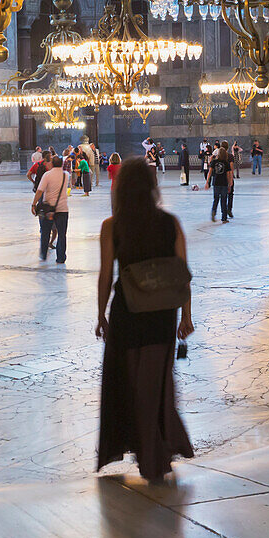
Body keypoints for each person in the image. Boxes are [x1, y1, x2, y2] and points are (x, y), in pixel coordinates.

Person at [96, 158, 194, 482]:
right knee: (157, 385)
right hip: (161, 316)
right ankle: (157, 453)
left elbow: (105, 275)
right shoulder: (170, 223)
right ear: (152, 187)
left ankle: (145, 452)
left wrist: (100, 314)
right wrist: (186, 316)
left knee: (129, 384)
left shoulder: (112, 226)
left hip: (127, 313)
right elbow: (182, 274)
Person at [31, 155, 69, 264]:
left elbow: (39, 191)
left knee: (45, 232)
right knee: (62, 234)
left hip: (48, 209)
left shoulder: (47, 175)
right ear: (61, 164)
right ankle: (61, 257)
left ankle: (43, 254)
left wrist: (34, 204)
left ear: (52, 164)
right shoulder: (66, 175)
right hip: (62, 209)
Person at [206, 146, 232, 223]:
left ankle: (213, 212)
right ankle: (224, 218)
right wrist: (229, 184)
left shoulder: (214, 162)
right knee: (224, 201)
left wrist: (207, 182)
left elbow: (209, 172)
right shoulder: (226, 163)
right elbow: (228, 175)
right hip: (224, 184)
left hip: (216, 183)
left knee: (216, 199)